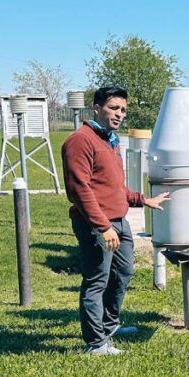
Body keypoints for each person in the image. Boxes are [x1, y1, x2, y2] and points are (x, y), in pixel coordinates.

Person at [61, 86, 170, 355]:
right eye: (113, 108)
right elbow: (80, 189)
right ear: (96, 107)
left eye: (123, 110)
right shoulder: (81, 140)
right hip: (96, 224)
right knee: (97, 280)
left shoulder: (110, 140)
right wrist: (103, 226)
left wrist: (143, 200)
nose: (119, 114)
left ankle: (109, 326)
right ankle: (96, 343)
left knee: (122, 273)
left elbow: (112, 187)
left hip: (118, 221)